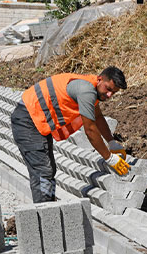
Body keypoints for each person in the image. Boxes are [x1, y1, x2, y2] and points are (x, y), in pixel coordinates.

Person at [10, 67, 130, 203]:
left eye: (113, 93)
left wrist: (111, 142)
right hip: (28, 120)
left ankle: (48, 206)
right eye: (108, 89)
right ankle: (44, 210)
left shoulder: (91, 87)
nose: (109, 95)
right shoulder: (86, 91)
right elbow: (90, 130)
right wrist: (109, 158)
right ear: (100, 79)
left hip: (36, 119)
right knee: (43, 171)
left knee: (48, 170)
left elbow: (97, 117)